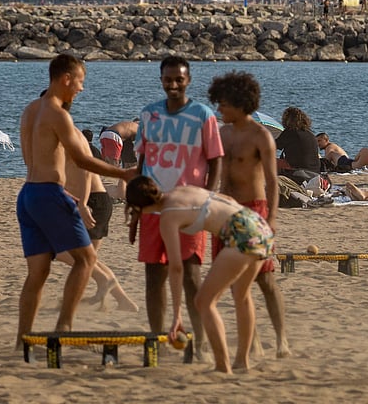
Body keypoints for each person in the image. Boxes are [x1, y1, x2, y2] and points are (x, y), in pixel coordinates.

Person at [15, 54, 135, 344]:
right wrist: (124, 174)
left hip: (28, 194)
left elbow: (29, 156)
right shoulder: (58, 114)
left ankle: (22, 339)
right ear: (66, 79)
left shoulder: (30, 110)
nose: (81, 89)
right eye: (80, 81)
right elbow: (82, 159)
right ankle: (64, 327)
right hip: (48, 194)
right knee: (87, 259)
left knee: (38, 272)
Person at [125, 178, 273, 374]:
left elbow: (176, 267)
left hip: (240, 233)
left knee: (204, 302)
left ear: (140, 207)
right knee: (242, 296)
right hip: (258, 225)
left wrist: (177, 315)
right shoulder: (180, 190)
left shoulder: (168, 216)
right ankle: (241, 361)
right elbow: (226, 198)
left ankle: (222, 366)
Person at [135, 55, 223, 352]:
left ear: (188, 80)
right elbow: (141, 162)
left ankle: (198, 343)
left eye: (179, 79)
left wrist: (207, 201)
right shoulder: (149, 115)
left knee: (191, 275)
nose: (173, 85)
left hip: (189, 208)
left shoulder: (203, 114)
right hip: (152, 206)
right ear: (161, 80)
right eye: (168, 79)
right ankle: (157, 340)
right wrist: (134, 206)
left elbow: (216, 161)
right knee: (153, 275)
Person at [208, 71, 291, 358]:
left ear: (240, 102)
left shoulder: (261, 137)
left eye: (223, 104)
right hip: (225, 213)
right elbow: (214, 172)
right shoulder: (222, 133)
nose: (218, 109)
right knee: (231, 281)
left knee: (265, 279)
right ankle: (251, 342)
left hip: (254, 211)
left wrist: (272, 219)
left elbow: (272, 181)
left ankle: (281, 340)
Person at [55, 128, 138, 312]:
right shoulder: (55, 141)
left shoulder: (68, 139)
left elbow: (85, 172)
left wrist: (83, 204)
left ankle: (105, 285)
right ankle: (121, 299)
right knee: (88, 259)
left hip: (93, 202)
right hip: (90, 201)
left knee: (68, 254)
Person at [276, 107, 320, 178]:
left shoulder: (290, 132)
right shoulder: (310, 134)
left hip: (299, 171)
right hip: (315, 173)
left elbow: (272, 146)